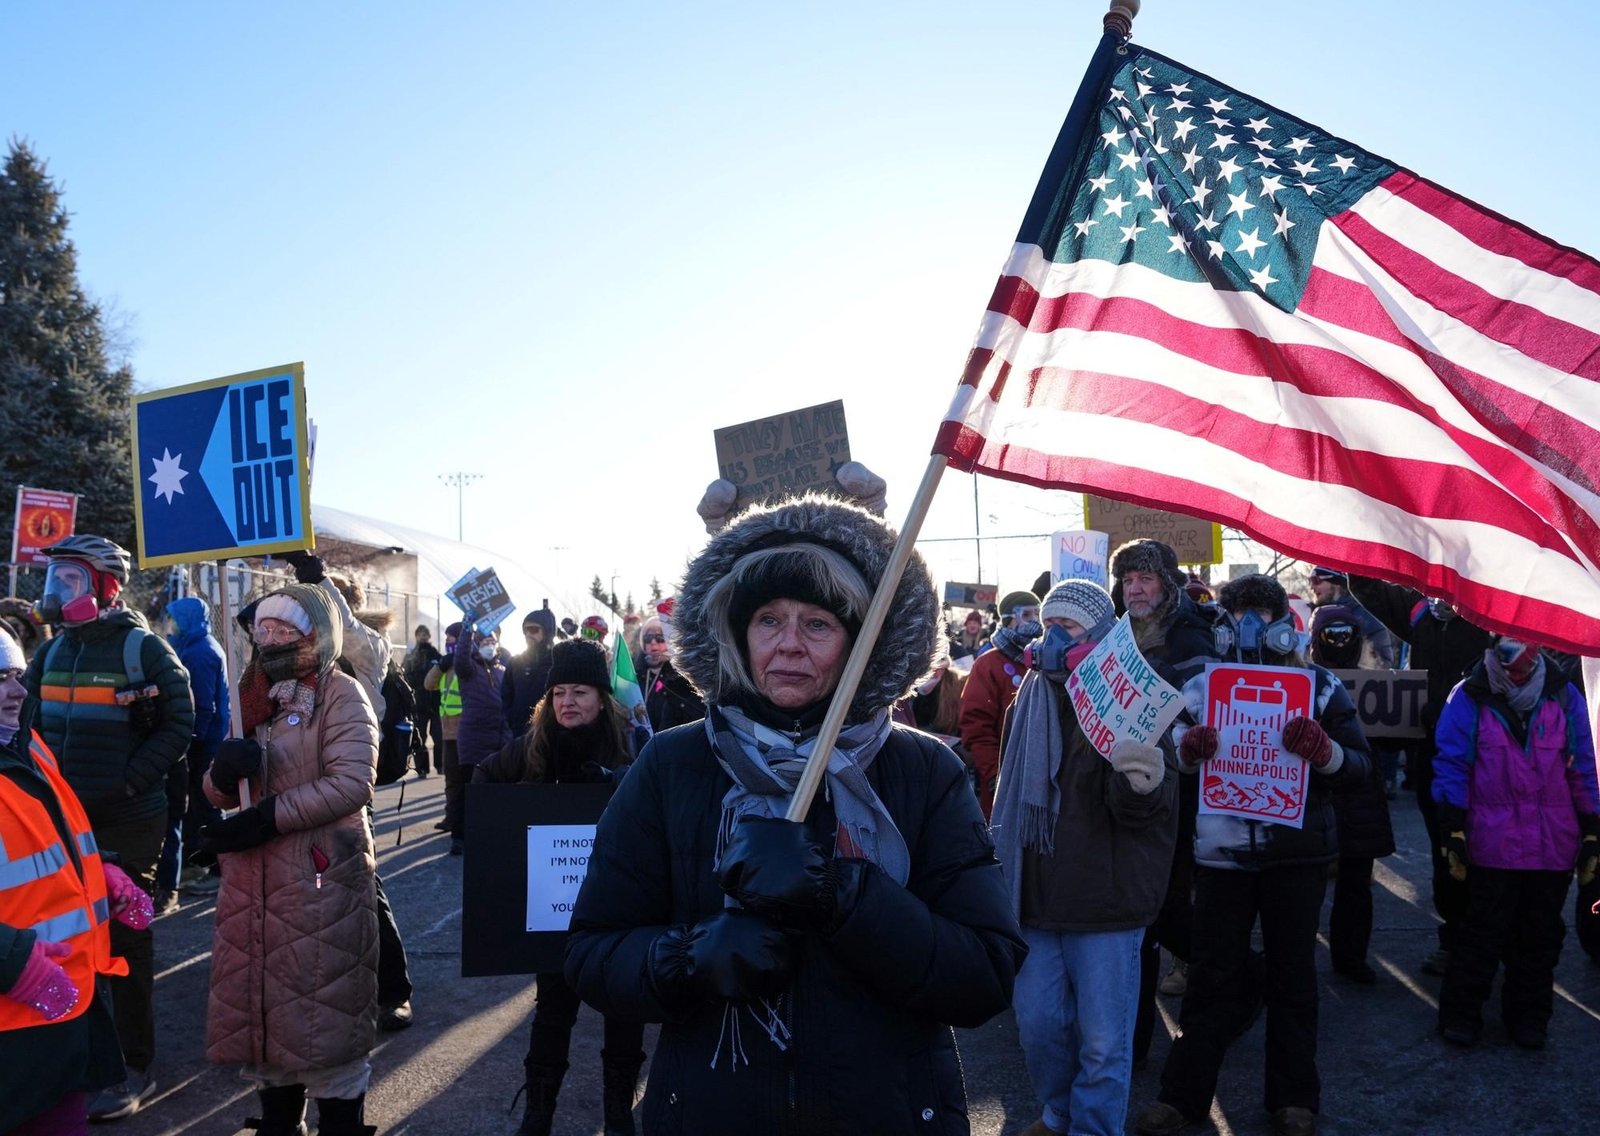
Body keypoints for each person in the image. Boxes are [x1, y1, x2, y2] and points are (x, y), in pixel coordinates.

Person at [566, 495, 1027, 1135]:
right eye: (768, 620)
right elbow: (592, 952)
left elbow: (984, 972)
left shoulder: (923, 771)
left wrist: (843, 894)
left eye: (817, 624)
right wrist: (688, 958)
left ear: (859, 643)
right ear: (736, 631)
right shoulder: (673, 765)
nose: (788, 645)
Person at [1135, 574, 1371, 1136]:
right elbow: (1161, 759)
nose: (1248, 625)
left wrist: (1326, 752)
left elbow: (1362, 767)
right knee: (1212, 978)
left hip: (1297, 857)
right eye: (1238, 612)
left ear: (1284, 622)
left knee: (1294, 978)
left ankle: (1295, 1100)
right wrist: (1186, 754)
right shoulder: (1199, 688)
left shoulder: (1319, 687)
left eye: (1261, 614)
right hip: (1222, 860)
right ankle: (1183, 1098)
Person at [995, 581, 1179, 1136]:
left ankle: (1095, 1128)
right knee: (1040, 1026)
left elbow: (1152, 812)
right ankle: (1057, 1111)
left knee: (1103, 1041)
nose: (1051, 637)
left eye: (1068, 627)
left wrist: (1142, 786)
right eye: (1047, 624)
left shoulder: (1133, 699)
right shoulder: (1026, 701)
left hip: (1106, 899)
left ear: (1100, 636)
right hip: (1035, 896)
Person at [22, 535, 195, 1121]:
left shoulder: (143, 650)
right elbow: (27, 730)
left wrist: (128, 780)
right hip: (66, 822)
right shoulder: (50, 654)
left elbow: (181, 724)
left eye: (69, 581)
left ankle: (131, 1064)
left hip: (129, 819)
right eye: (55, 580)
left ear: (105, 587)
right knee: (67, 934)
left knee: (124, 936)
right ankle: (78, 1060)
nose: (56, 592)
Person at [199, 583, 381, 1136]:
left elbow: (352, 783)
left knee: (323, 1006)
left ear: (315, 635)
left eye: (285, 629)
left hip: (318, 876)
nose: (270, 638)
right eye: (264, 630)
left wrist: (270, 816)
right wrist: (223, 777)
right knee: (267, 1008)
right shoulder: (250, 693)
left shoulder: (341, 693)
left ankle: (340, 1124)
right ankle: (279, 1121)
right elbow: (221, 792)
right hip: (253, 879)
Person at [474, 639, 642, 1135]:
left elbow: (662, 800)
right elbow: (482, 784)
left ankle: (618, 1115)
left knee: (622, 1007)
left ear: (602, 698)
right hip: (556, 911)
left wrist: (620, 779)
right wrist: (505, 843)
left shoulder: (632, 743)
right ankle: (538, 1115)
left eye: (581, 691)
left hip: (618, 906)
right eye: (560, 692)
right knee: (553, 1010)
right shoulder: (533, 745)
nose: (568, 702)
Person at [1, 625, 152, 1135]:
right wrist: (11, 960)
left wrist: (102, 868)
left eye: (17, 675)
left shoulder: (27, 744)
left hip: (62, 1009)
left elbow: (57, 834)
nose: (18, 692)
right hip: (13, 1017)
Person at [1431, 636, 1599, 1049]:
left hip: (1551, 845)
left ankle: (1529, 1017)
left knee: (1540, 937)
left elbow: (1585, 766)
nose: (1517, 650)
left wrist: (1594, 830)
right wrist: (1451, 827)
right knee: (1481, 933)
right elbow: (1452, 762)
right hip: (1492, 844)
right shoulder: (1470, 694)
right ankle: (1462, 1013)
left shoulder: (1564, 695)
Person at [1343, 576, 1494, 975]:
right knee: (1447, 853)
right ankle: (1456, 940)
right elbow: (1368, 587)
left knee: (1492, 853)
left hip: (1490, 759)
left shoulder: (1489, 607)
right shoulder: (1419, 610)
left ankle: (1494, 940)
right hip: (1434, 758)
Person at [1107, 540, 1221, 1060]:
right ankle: (1135, 1040)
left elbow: (1203, 715)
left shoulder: (1189, 635)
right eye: (1128, 578)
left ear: (1167, 585)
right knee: (1142, 911)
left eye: (1146, 578)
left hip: (1176, 790)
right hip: (1126, 788)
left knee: (1159, 910)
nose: (1135, 587)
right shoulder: (1116, 635)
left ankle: (1235, 977)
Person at [1307, 604, 1396, 984]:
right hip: (1316, 797)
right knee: (1305, 889)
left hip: (1360, 799)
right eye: (1333, 636)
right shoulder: (1303, 682)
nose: (1341, 643)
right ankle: (1298, 958)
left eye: (1347, 636)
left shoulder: (1381, 686)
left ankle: (1350, 956)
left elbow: (1394, 748)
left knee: (1356, 887)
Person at [162, 597, 231, 910]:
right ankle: (198, 862)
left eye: (176, 619)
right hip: (203, 739)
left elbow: (204, 706)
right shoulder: (193, 644)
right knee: (196, 802)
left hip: (205, 741)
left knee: (206, 802)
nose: (171, 625)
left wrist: (190, 742)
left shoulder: (201, 651)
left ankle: (219, 869)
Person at [958, 588, 1041, 818]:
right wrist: (995, 775)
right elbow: (976, 725)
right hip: (1003, 780)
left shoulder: (1043, 658)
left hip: (1040, 777)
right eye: (1027, 615)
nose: (1035, 622)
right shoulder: (989, 664)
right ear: (1008, 620)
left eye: (1038, 614)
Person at [449, 623, 510, 856]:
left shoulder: (502, 671)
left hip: (499, 739)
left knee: (494, 791)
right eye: (485, 642)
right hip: (473, 739)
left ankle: (488, 833)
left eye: (492, 642)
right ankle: (459, 837)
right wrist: (467, 630)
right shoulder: (469, 669)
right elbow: (461, 656)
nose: (490, 646)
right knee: (467, 790)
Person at [425, 623, 465, 840]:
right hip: (448, 733)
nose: (448, 641)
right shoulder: (446, 663)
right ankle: (451, 818)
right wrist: (440, 666)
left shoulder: (469, 663)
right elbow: (428, 684)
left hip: (467, 733)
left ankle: (463, 821)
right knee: (451, 780)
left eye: (451, 637)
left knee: (465, 781)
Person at [634, 614, 703, 733]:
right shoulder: (637, 674)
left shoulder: (680, 676)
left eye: (660, 638)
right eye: (648, 638)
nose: (653, 643)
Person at [502, 608, 556, 739]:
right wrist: (511, 718)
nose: (528, 634)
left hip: (551, 732)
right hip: (518, 733)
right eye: (525, 630)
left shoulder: (558, 661)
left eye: (533, 630)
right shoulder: (515, 662)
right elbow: (505, 695)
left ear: (547, 631)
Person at [402, 625, 441, 775]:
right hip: (419, 703)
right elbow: (406, 677)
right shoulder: (411, 656)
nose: (423, 637)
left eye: (426, 634)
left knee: (438, 735)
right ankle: (422, 768)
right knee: (420, 737)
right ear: (416, 636)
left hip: (435, 702)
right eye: (420, 634)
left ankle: (440, 766)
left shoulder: (435, 655)